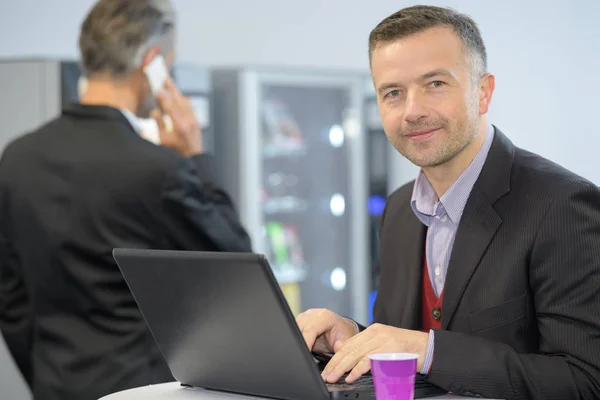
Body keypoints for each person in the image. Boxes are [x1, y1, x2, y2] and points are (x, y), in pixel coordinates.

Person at [296, 5, 600, 400]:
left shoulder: (562, 205)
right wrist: (353, 338)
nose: (413, 111)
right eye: (393, 93)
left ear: (483, 91)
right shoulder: (398, 210)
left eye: (435, 84)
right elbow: (404, 345)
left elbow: (585, 379)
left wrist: (428, 350)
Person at [0, 1, 251, 399]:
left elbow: (10, 298)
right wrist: (195, 156)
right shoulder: (159, 169)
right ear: (151, 62)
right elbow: (238, 261)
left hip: (54, 386)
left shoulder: (17, 156)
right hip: (140, 389)